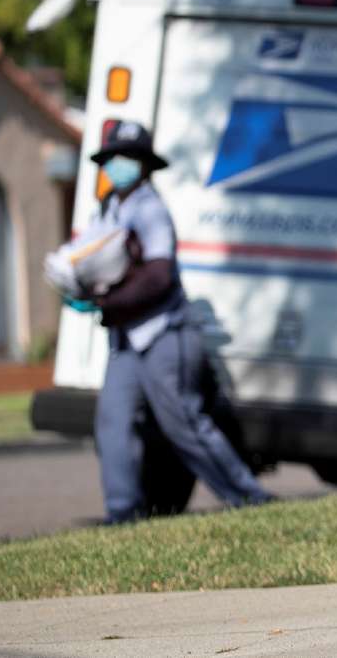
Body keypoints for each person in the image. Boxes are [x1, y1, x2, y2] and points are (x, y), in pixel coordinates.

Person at [81, 120, 273, 523]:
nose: (121, 165)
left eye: (130, 158)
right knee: (113, 422)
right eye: (115, 157)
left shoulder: (150, 208)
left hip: (164, 333)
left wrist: (109, 300)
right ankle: (122, 515)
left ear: (145, 166)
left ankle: (248, 497)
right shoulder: (107, 209)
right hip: (125, 339)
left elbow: (159, 276)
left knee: (182, 422)